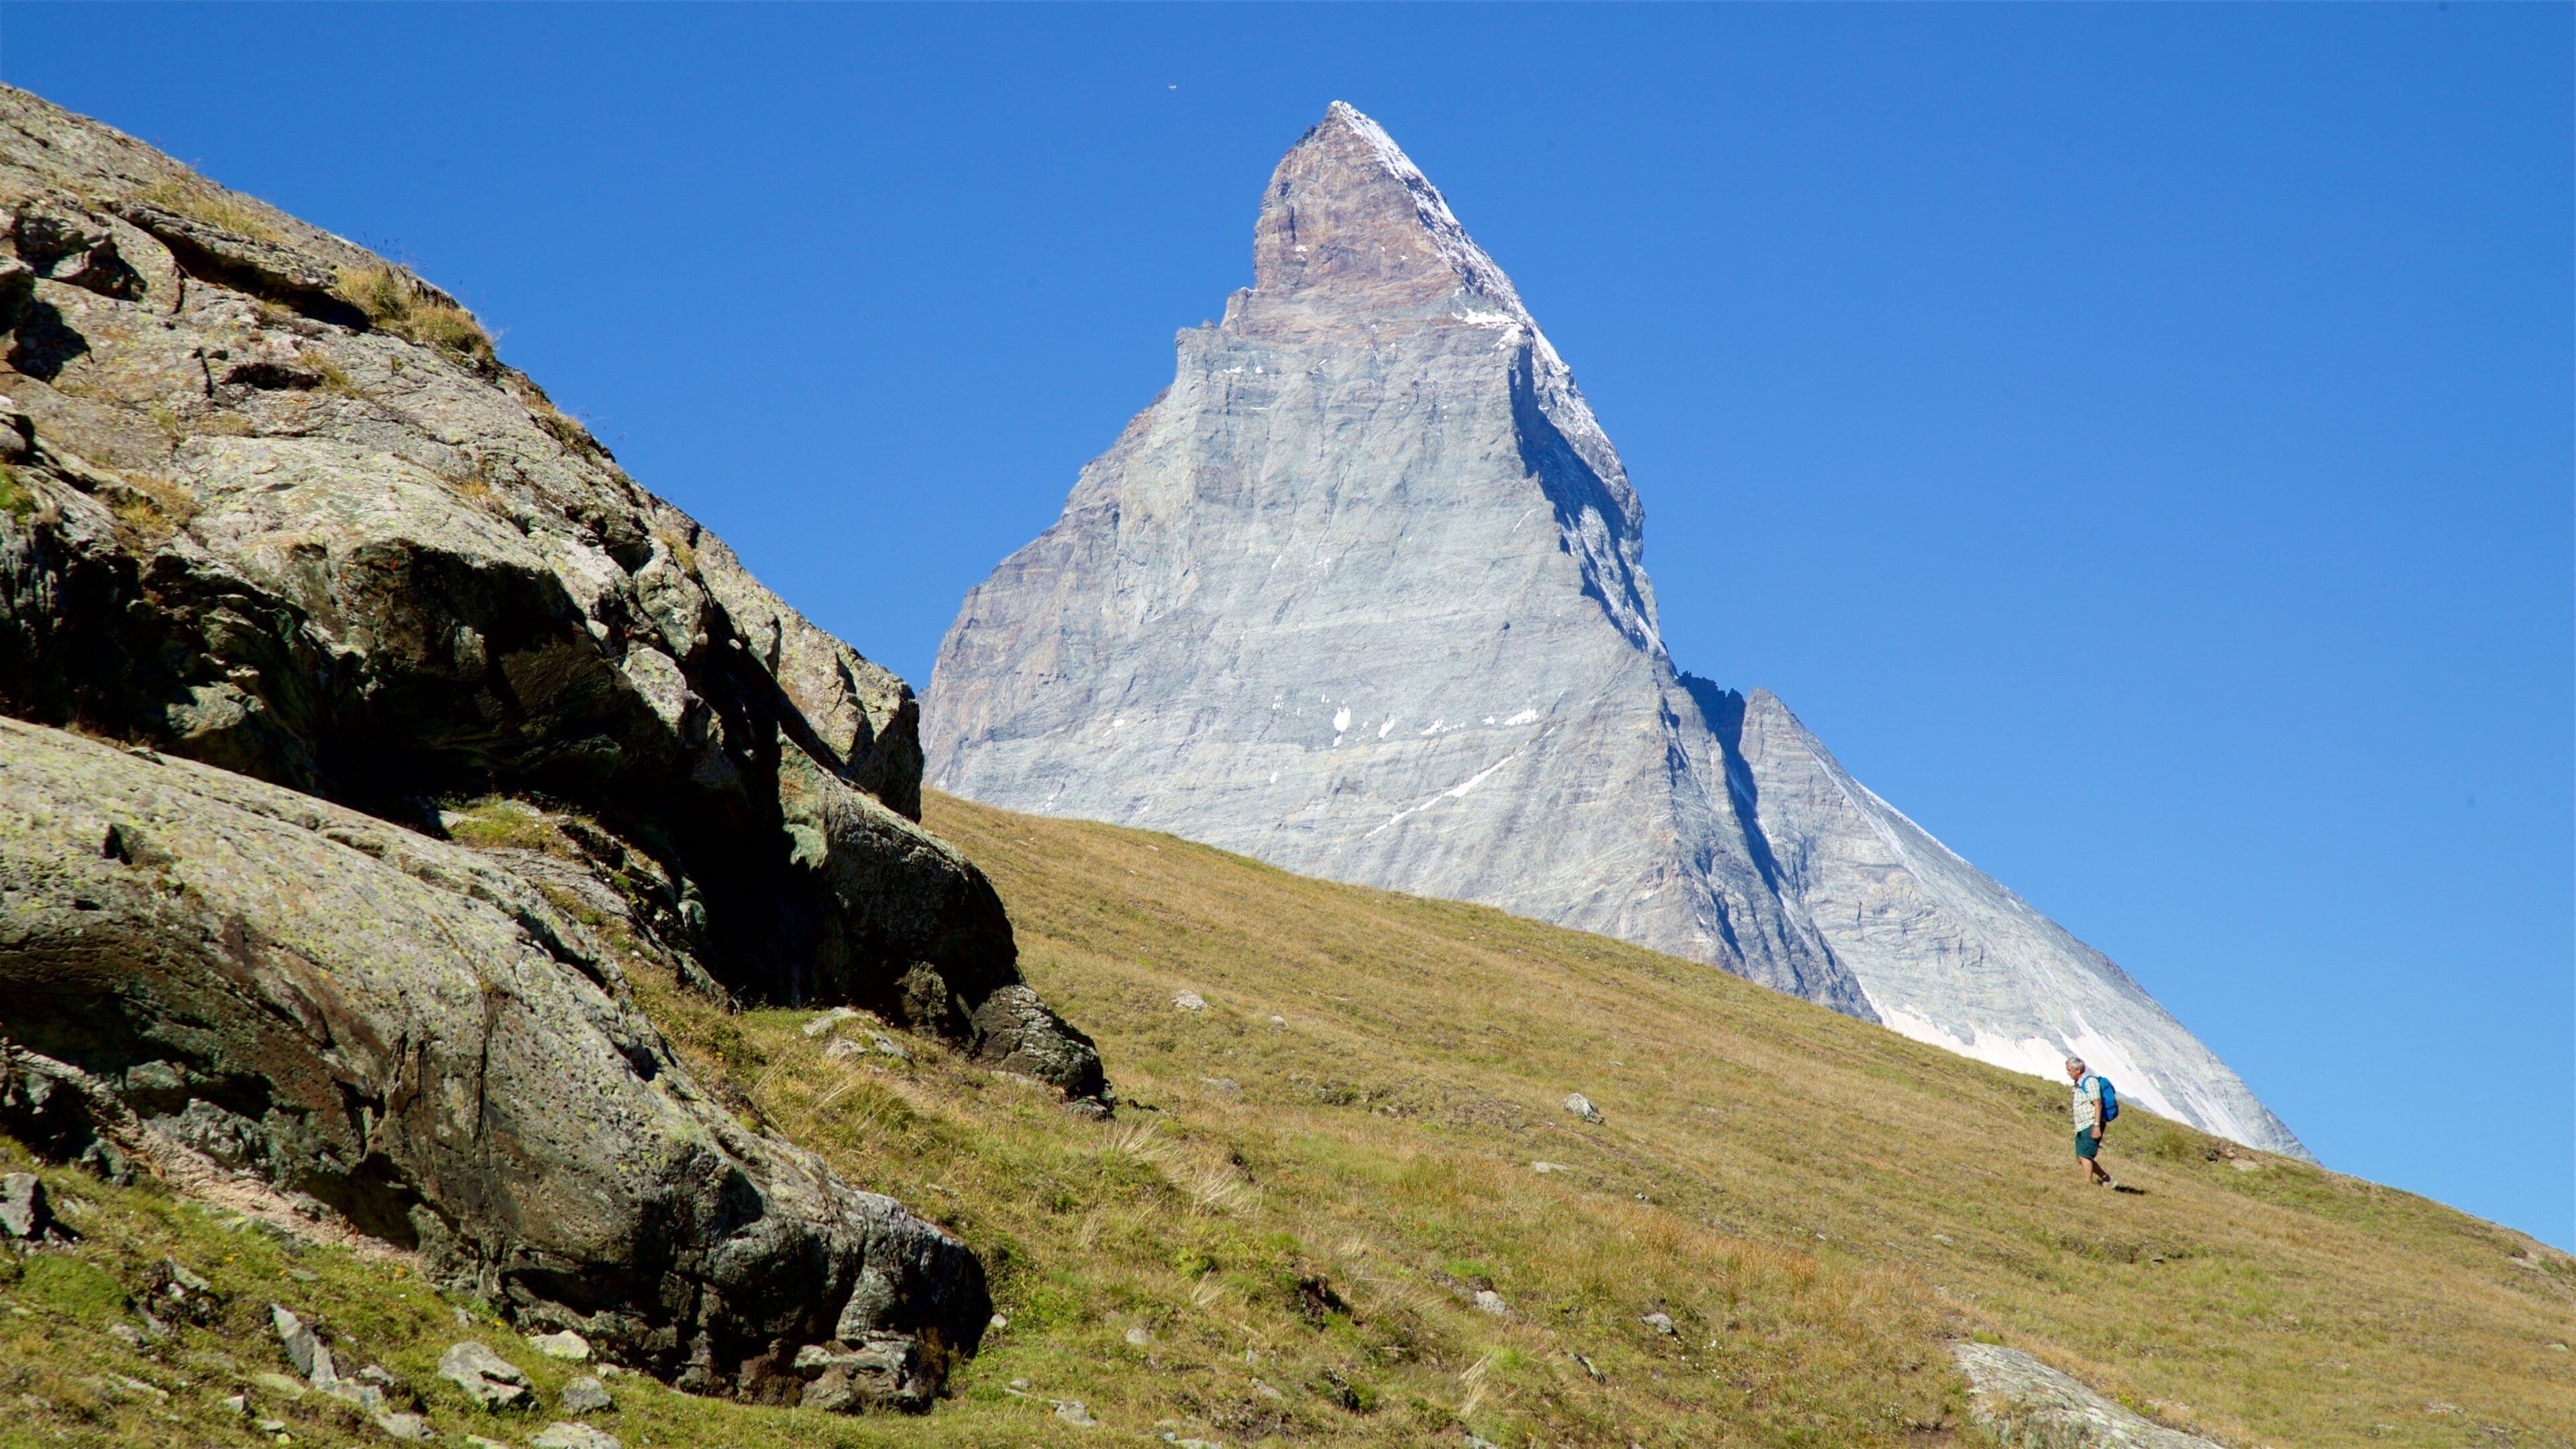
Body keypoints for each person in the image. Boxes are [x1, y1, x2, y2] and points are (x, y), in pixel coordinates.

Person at [2066, 1057, 2117, 1188]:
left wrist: (2096, 1126)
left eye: (2069, 1070)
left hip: (2091, 1124)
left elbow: (2097, 1104)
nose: (2068, 1073)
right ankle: (2108, 1180)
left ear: (2077, 1070)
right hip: (2082, 1125)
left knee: (2084, 1156)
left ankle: (2087, 1185)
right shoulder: (2078, 1084)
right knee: (2081, 1158)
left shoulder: (2090, 1082)